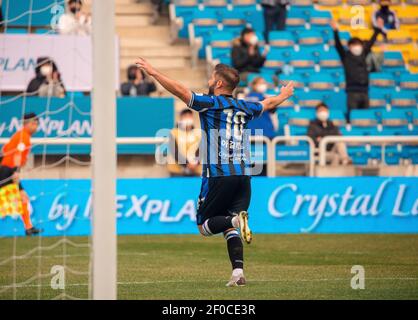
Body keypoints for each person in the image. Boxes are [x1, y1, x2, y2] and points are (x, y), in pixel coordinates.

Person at [135, 57, 294, 286]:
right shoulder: (245, 106)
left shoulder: (210, 103)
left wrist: (154, 72)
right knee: (228, 226)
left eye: (211, 78)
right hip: (244, 177)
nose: (209, 81)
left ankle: (236, 221)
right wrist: (284, 96)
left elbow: (181, 91)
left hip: (219, 175)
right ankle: (238, 274)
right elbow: (268, 103)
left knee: (204, 226)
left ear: (218, 84)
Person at [331, 19, 384, 122]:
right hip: (352, 93)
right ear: (349, 46)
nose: (357, 47)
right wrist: (335, 31)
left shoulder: (364, 54)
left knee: (366, 118)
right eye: (354, 44)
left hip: (365, 92)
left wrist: (377, 29)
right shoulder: (346, 56)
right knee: (353, 117)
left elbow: (371, 42)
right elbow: (338, 45)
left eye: (358, 44)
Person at [0, 113, 42, 236]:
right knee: (19, 198)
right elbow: (18, 154)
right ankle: (28, 227)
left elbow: (4, 150)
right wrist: (16, 172)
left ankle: (29, 228)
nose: (36, 127)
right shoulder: (24, 137)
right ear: (28, 124)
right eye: (34, 124)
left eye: (37, 124)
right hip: (8, 170)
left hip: (6, 169)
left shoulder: (19, 135)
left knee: (23, 197)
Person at [167, 109, 201, 177]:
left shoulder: (198, 133)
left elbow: (201, 151)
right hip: (177, 172)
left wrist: (194, 163)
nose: (187, 118)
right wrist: (186, 164)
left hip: (195, 170)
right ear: (181, 118)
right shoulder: (173, 133)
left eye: (189, 116)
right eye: (185, 116)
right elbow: (174, 151)